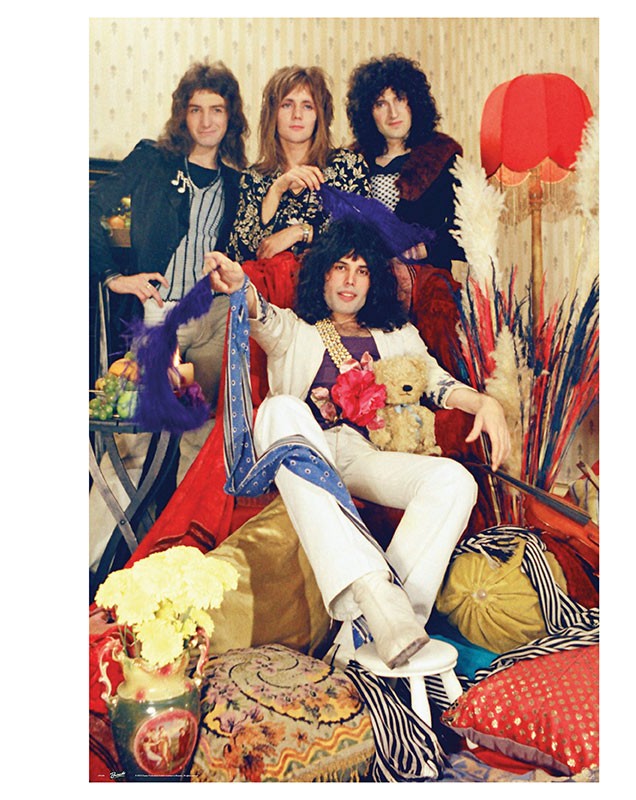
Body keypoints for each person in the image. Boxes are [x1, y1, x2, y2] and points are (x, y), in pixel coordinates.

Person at [203, 218, 510, 670]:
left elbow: (436, 381)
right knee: (280, 408)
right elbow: (259, 311)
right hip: (304, 451)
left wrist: (484, 402)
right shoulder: (296, 328)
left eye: (362, 271)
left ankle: (365, 632)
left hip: (364, 454)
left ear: (373, 282)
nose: (350, 280)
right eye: (341, 268)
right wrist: (240, 284)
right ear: (323, 274)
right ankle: (377, 601)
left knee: (454, 482)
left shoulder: (398, 336)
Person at [89, 59, 249, 485]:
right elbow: (89, 206)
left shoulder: (237, 184)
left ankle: (181, 528)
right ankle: (105, 532)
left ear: (230, 117)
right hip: (159, 316)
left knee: (202, 435)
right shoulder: (153, 161)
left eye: (216, 109)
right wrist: (114, 277)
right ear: (183, 114)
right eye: (196, 109)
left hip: (213, 318)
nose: (206, 120)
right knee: (134, 441)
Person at [228, 66, 370, 263]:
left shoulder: (347, 166)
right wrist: (276, 190)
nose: (297, 114)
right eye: (287, 105)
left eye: (307, 106)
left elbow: (364, 237)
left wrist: (300, 232)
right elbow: (240, 254)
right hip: (265, 283)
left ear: (320, 115)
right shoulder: (254, 178)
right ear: (273, 114)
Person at [345, 54, 466, 273]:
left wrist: (425, 249)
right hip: (365, 280)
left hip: (425, 281)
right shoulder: (351, 162)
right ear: (367, 113)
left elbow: (466, 232)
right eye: (381, 104)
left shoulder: (443, 156)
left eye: (399, 99)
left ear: (414, 102)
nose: (393, 113)